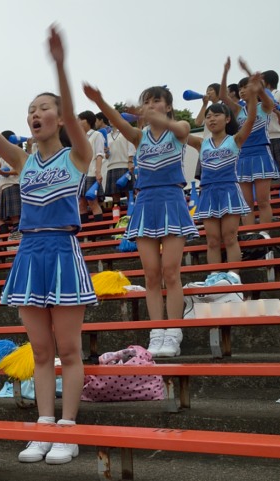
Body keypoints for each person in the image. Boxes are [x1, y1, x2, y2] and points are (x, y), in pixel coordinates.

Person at [0, 26, 94, 465]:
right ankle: (44, 426)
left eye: (44, 108)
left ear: (59, 117)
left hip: (63, 253)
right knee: (41, 351)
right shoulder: (23, 162)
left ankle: (68, 429)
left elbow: (70, 117)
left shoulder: (77, 155)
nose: (35, 113)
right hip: (29, 256)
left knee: (69, 348)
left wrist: (60, 65)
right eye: (31, 109)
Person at [85, 78, 197, 358]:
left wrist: (155, 117)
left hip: (172, 200)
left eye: (156, 101)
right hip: (145, 203)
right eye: (146, 101)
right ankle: (156, 331)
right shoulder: (139, 136)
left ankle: (174, 332)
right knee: (151, 275)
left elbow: (182, 127)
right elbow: (117, 121)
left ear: (169, 106)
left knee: (171, 272)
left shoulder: (178, 132)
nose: (150, 105)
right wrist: (99, 101)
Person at [187, 86, 258, 265]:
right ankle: (215, 280)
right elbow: (176, 133)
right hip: (208, 192)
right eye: (208, 116)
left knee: (230, 238)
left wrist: (253, 96)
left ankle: (233, 277)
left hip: (229, 191)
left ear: (227, 119)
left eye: (216, 115)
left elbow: (250, 120)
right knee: (212, 241)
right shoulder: (200, 143)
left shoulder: (235, 140)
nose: (211, 119)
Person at [220, 58, 278, 226]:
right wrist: (225, 71)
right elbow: (223, 95)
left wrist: (248, 71)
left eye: (246, 86)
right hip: (243, 155)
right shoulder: (238, 110)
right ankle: (250, 238)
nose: (243, 90)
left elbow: (262, 92)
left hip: (261, 153)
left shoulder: (265, 106)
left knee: (263, 201)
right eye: (240, 88)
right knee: (246, 205)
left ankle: (265, 237)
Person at [78, 110, 105, 221]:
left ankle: (100, 232)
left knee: (92, 202)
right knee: (81, 203)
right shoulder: (79, 138)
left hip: (92, 172)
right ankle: (87, 234)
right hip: (81, 175)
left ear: (88, 121)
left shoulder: (96, 135)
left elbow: (99, 154)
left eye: (81, 120)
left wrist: (98, 171)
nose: (78, 122)